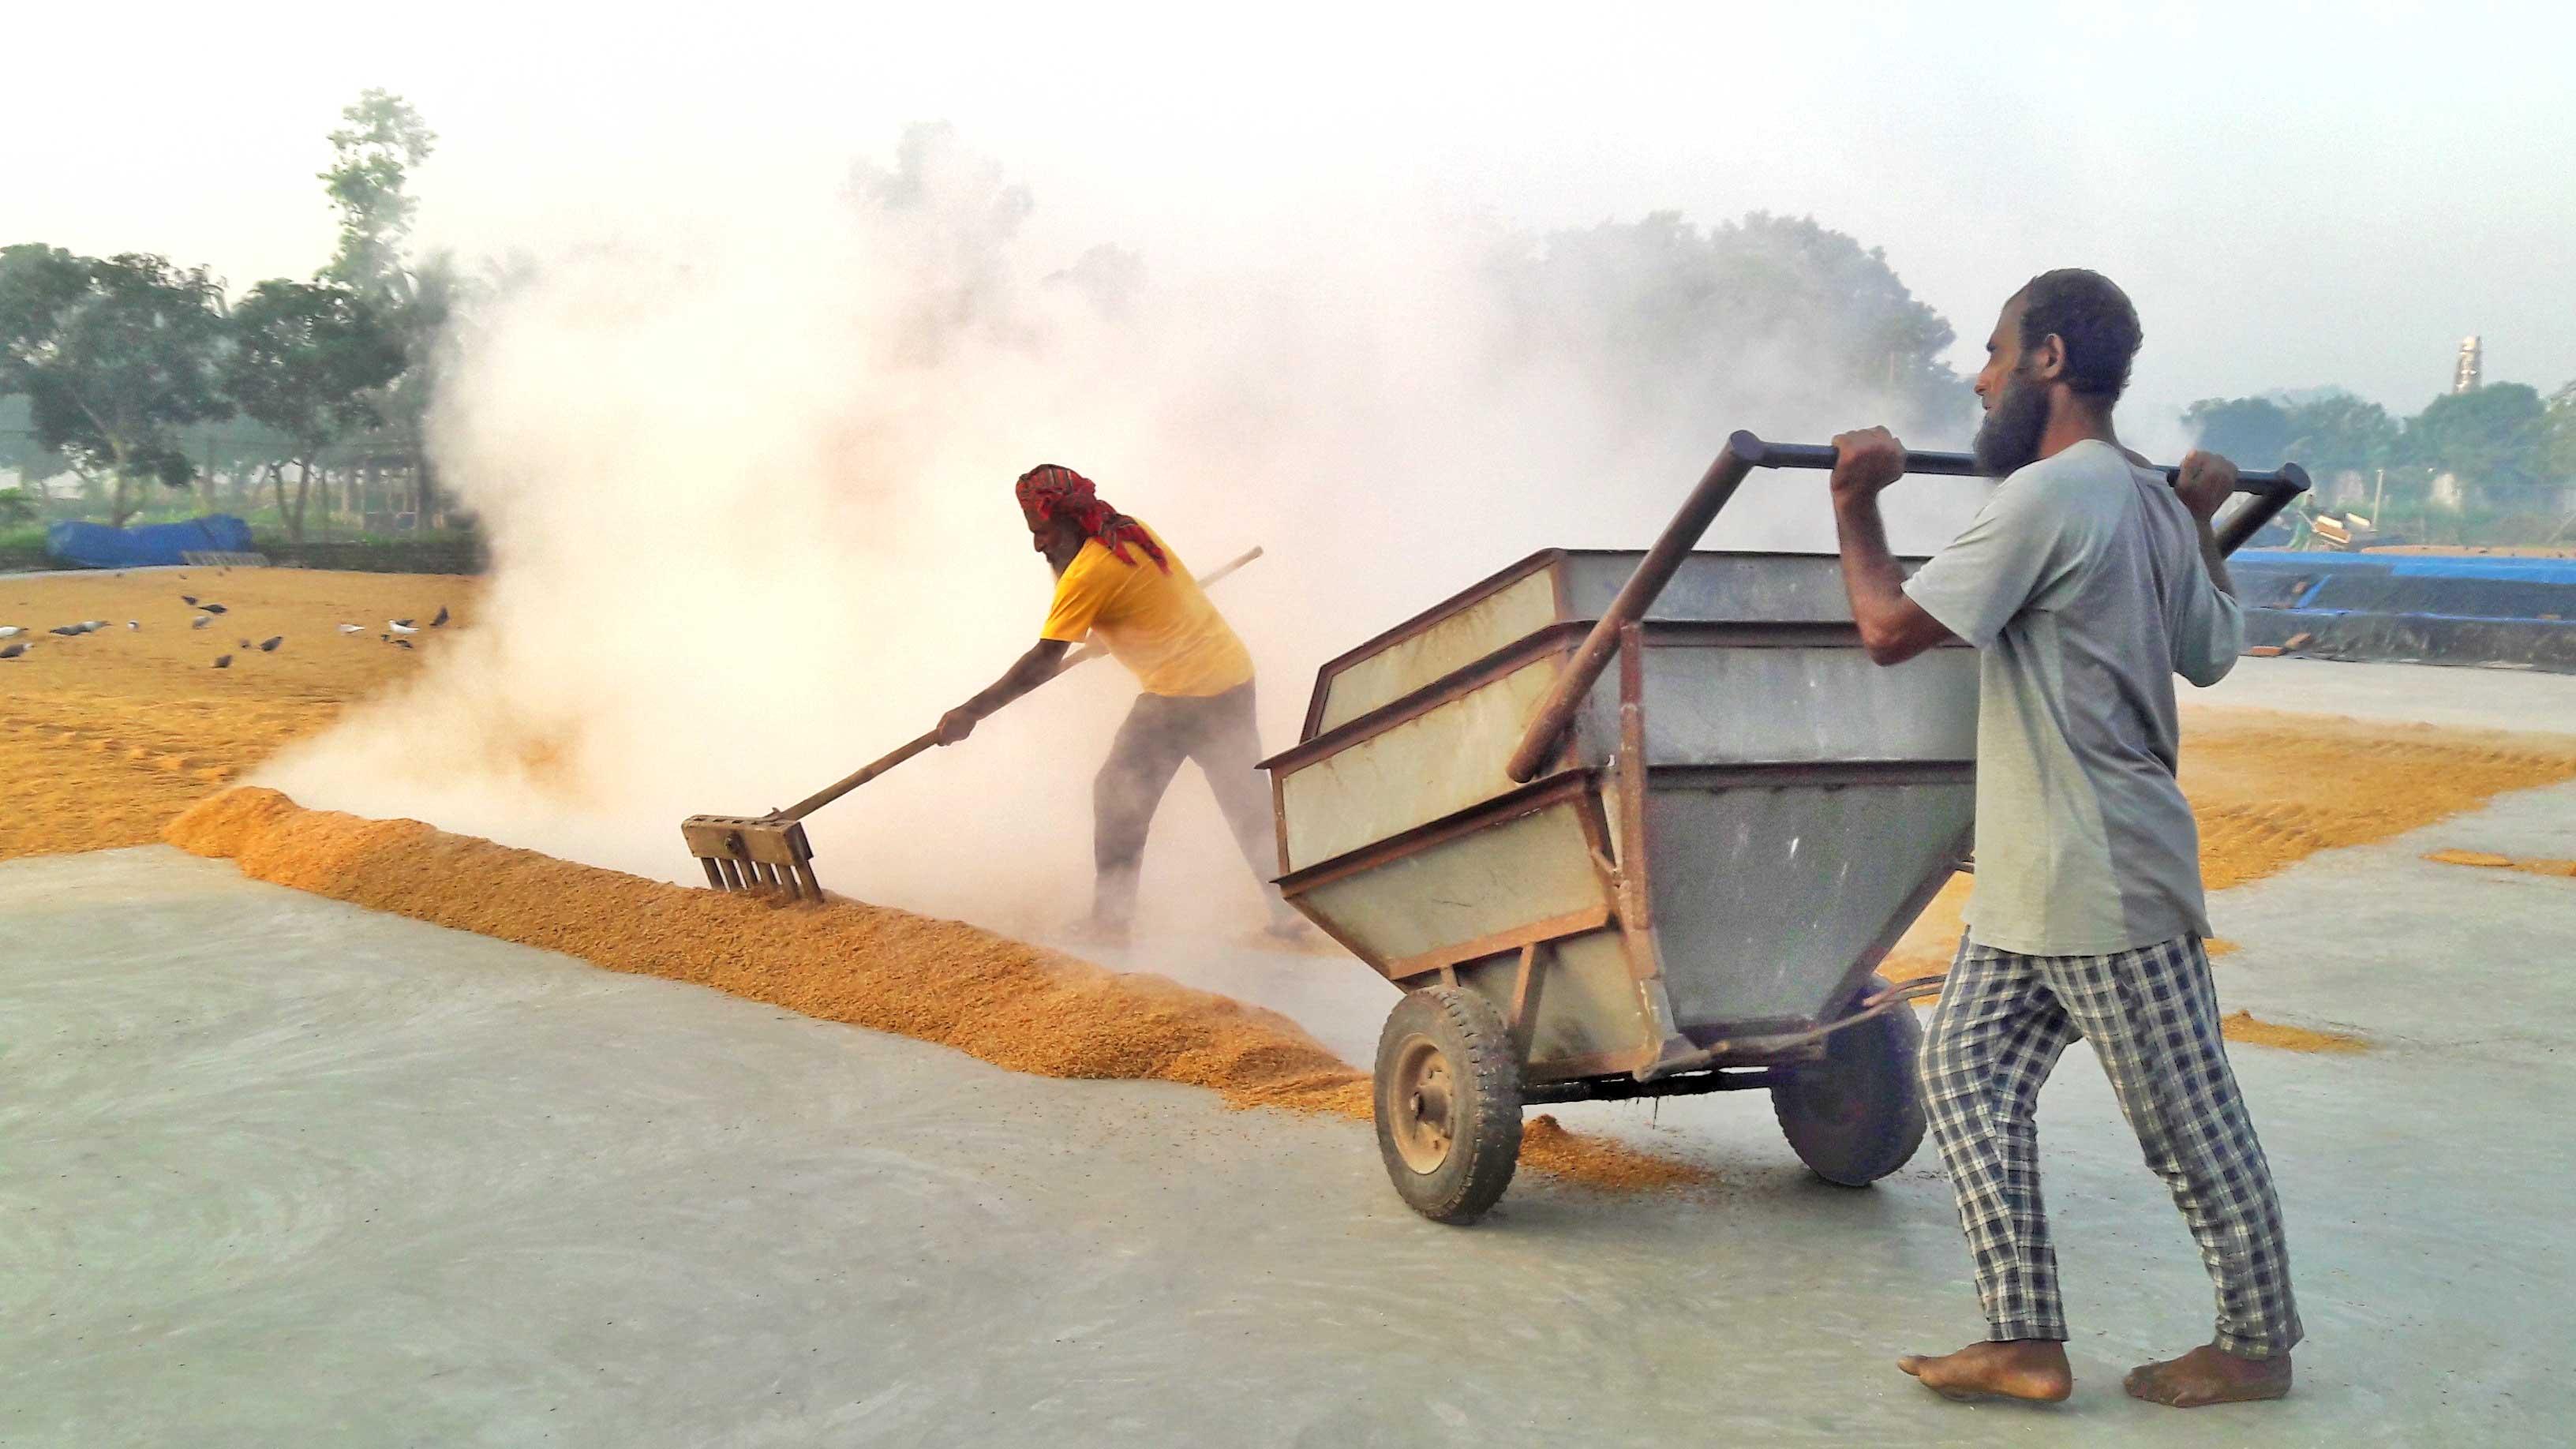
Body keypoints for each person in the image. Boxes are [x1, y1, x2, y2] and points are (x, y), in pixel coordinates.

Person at [1825, 269, 2301, 1408]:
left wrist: (1855, 501)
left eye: (1994, 353)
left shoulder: (2050, 498)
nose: (1981, 377)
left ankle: (2257, 1343)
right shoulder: (2145, 502)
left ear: (2047, 362)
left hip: (2104, 871)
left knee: (2188, 1122)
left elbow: (1889, 629)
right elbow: (2213, 647)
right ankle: (2024, 1339)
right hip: (2036, 880)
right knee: (1966, 1076)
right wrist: (2198, 523)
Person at [936, 464, 1307, 945]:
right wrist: (1111, 633)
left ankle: (1111, 922)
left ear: (1068, 521)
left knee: (1118, 794)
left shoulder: (1088, 574)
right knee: (1245, 802)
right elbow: (1151, 599)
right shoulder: (1127, 531)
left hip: (1182, 693)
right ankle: (1292, 913)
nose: (1038, 545)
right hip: (1231, 677)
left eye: (1042, 531)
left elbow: (1043, 661)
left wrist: (971, 712)